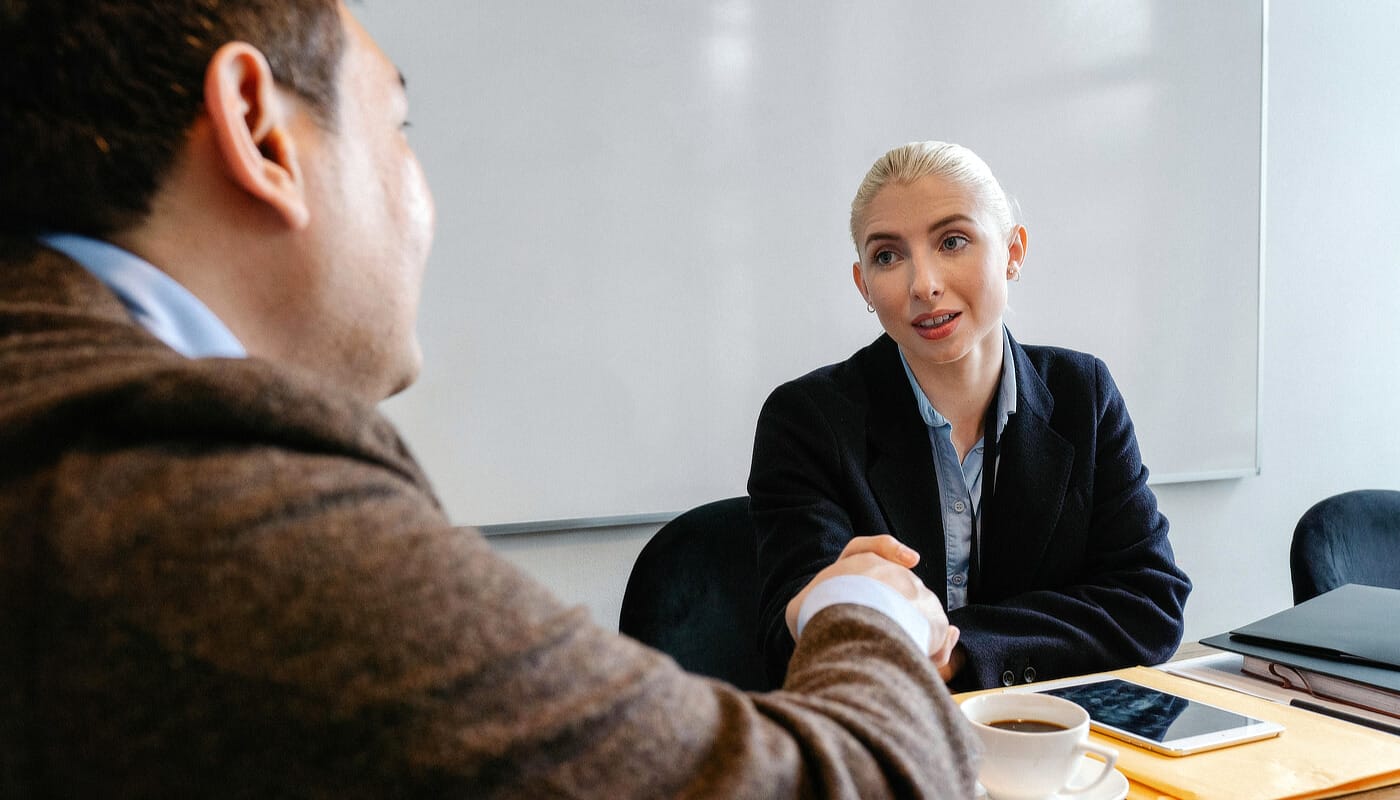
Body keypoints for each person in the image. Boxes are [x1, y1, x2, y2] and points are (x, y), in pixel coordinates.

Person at [0, 3, 980, 797]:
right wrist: (864, 605)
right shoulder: (201, 486)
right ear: (259, 128)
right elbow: (860, 781)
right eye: (399, 126)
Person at [749, 141, 1193, 693]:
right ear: (864, 284)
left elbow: (1149, 605)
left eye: (952, 241)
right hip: (888, 742)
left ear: (1013, 252)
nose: (924, 284)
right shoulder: (807, 419)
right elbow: (787, 644)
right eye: (888, 256)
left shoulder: (1084, 394)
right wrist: (823, 604)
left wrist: (956, 651)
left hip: (1052, 740)